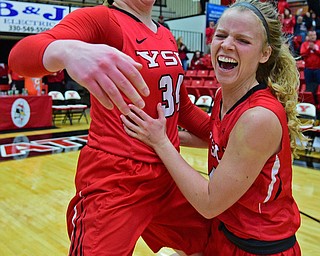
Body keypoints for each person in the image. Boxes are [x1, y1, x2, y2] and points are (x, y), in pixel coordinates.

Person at [8, 0, 211, 255]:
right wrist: (67, 51)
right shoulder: (103, 19)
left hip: (169, 172)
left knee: (214, 240)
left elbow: (183, 109)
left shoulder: (166, 34)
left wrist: (227, 132)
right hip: (117, 177)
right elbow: (19, 58)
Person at [121, 0, 305, 255]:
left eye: (243, 40)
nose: (227, 44)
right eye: (221, 35)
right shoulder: (223, 95)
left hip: (260, 248)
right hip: (224, 232)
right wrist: (163, 134)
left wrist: (161, 142)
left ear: (265, 54)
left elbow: (208, 203)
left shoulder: (258, 118)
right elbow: (218, 138)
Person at [300, 30, 320, 103]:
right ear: (308, 36)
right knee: (309, 88)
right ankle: (312, 103)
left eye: (314, 35)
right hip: (308, 70)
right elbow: (302, 54)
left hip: (318, 70)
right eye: (311, 35)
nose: (313, 37)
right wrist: (309, 48)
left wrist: (315, 49)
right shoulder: (304, 44)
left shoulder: (319, 43)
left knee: (318, 88)